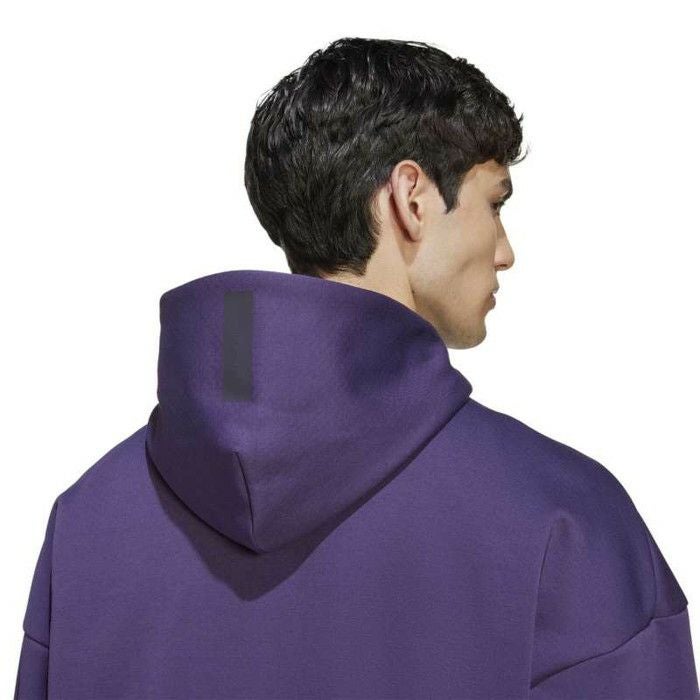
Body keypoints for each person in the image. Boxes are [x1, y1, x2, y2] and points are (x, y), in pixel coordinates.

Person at [14, 37, 699, 699]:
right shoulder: (566, 522)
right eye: (495, 203)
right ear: (412, 197)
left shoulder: (87, 524)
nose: (505, 251)